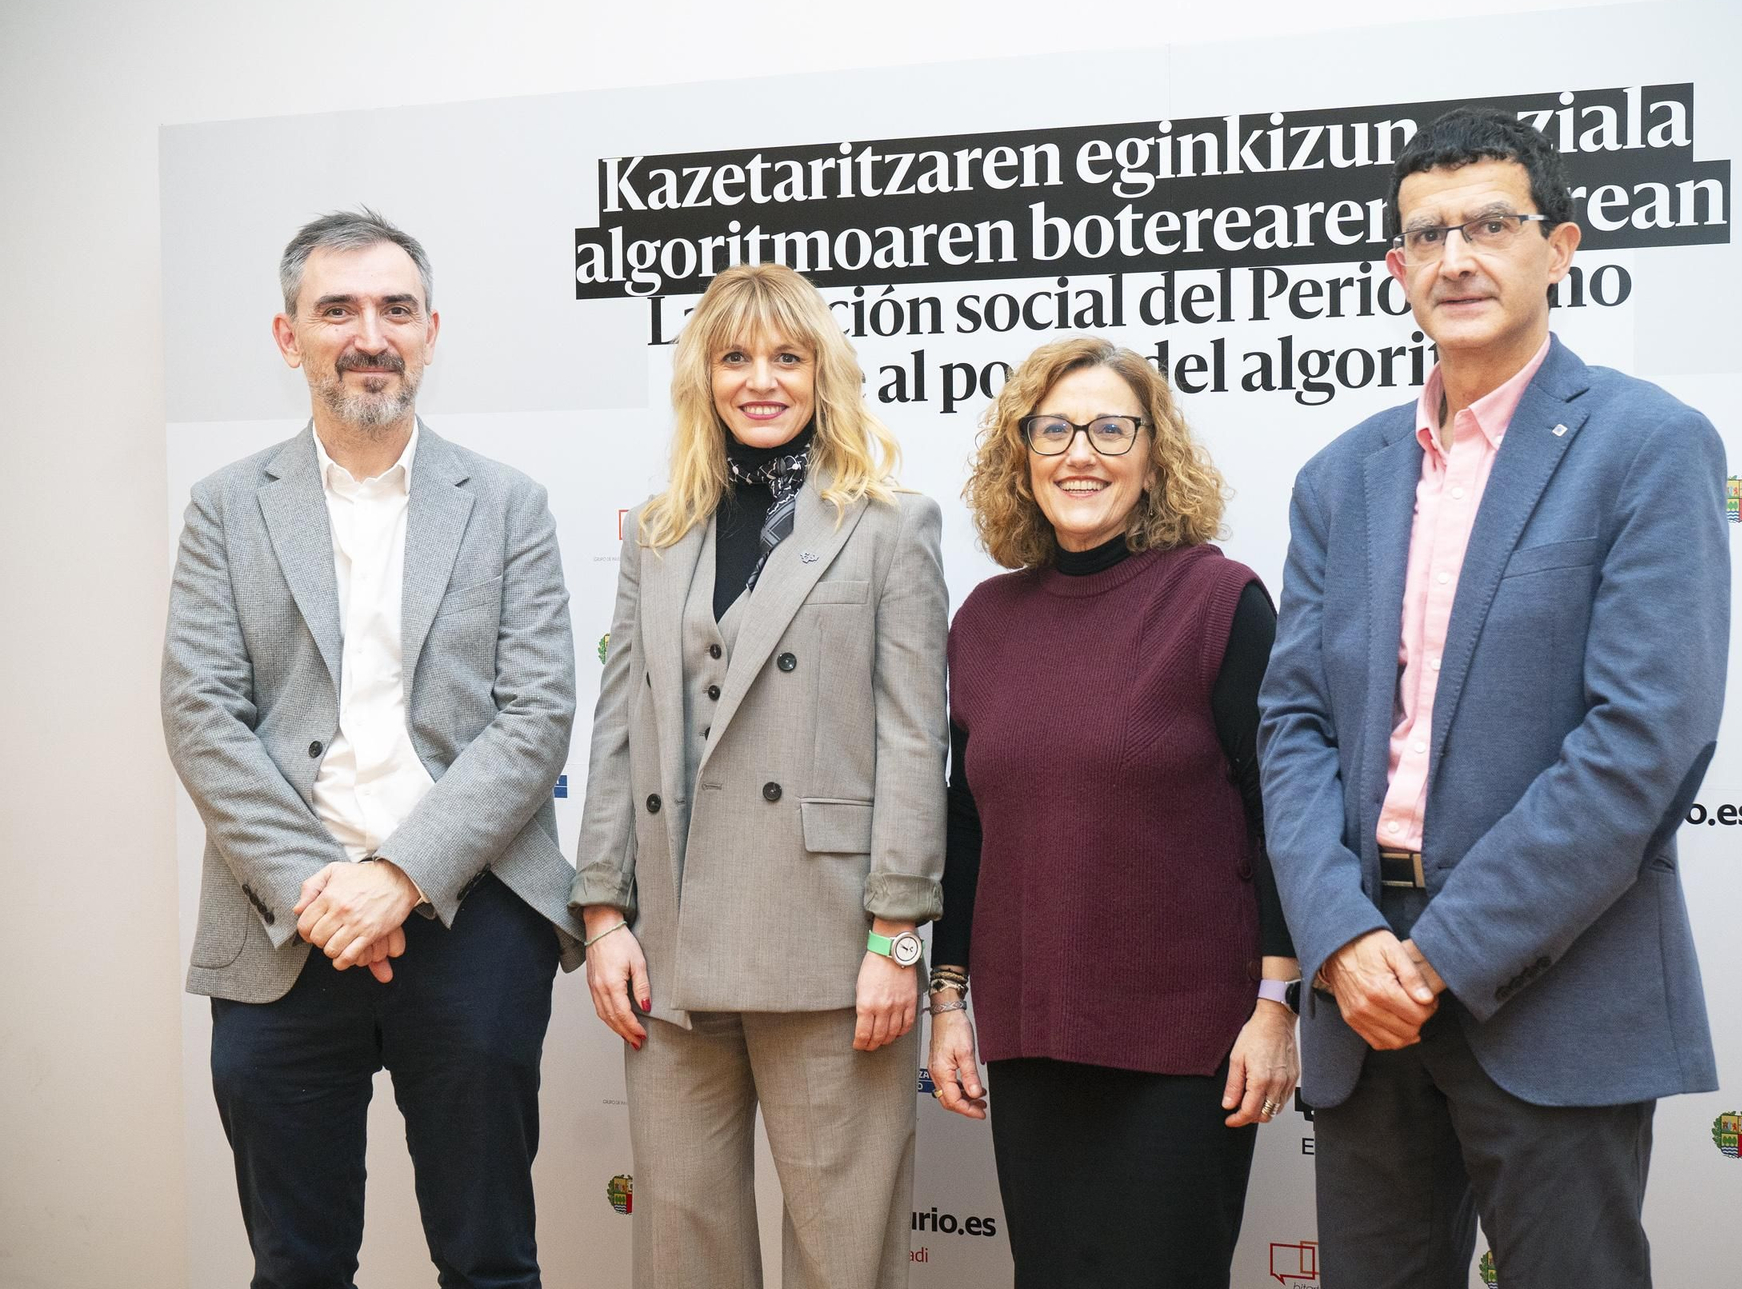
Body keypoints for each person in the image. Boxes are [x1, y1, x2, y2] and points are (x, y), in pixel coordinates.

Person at [1258, 107, 1731, 1287]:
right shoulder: (1338, 476)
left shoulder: (1644, 444)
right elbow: (1293, 725)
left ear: (1558, 247)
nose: (1455, 258)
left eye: (1489, 226)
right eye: (1426, 236)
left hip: (1551, 982)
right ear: (1395, 268)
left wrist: (1444, 955)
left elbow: (1643, 739)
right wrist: (1339, 938)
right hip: (1362, 982)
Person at [161, 208, 581, 1288]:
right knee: (296, 1265)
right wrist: (323, 889)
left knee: (489, 1261)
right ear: (287, 335)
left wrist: (398, 875)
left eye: (396, 309)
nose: (369, 335)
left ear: (431, 332)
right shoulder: (224, 510)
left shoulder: (507, 505)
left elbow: (536, 714)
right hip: (283, 925)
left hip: (473, 913)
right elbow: (200, 715)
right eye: (336, 310)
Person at [571, 262, 946, 1289]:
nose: (761, 380)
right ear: (704, 376)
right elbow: (619, 728)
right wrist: (602, 915)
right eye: (734, 357)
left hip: (829, 945)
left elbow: (916, 740)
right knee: (679, 1254)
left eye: (788, 357)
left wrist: (896, 935)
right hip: (670, 949)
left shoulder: (889, 524)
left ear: (825, 372)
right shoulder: (657, 532)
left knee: (842, 1256)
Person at [927, 336, 1301, 1289]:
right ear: (1021, 456)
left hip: (1183, 1045)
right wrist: (948, 998)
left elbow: (1281, 815)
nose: (1079, 453)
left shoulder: (1218, 603)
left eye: (1109, 429)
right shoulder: (984, 621)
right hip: (1030, 1035)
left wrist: (1276, 1005)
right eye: (1053, 430)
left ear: (1153, 454)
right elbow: (966, 824)